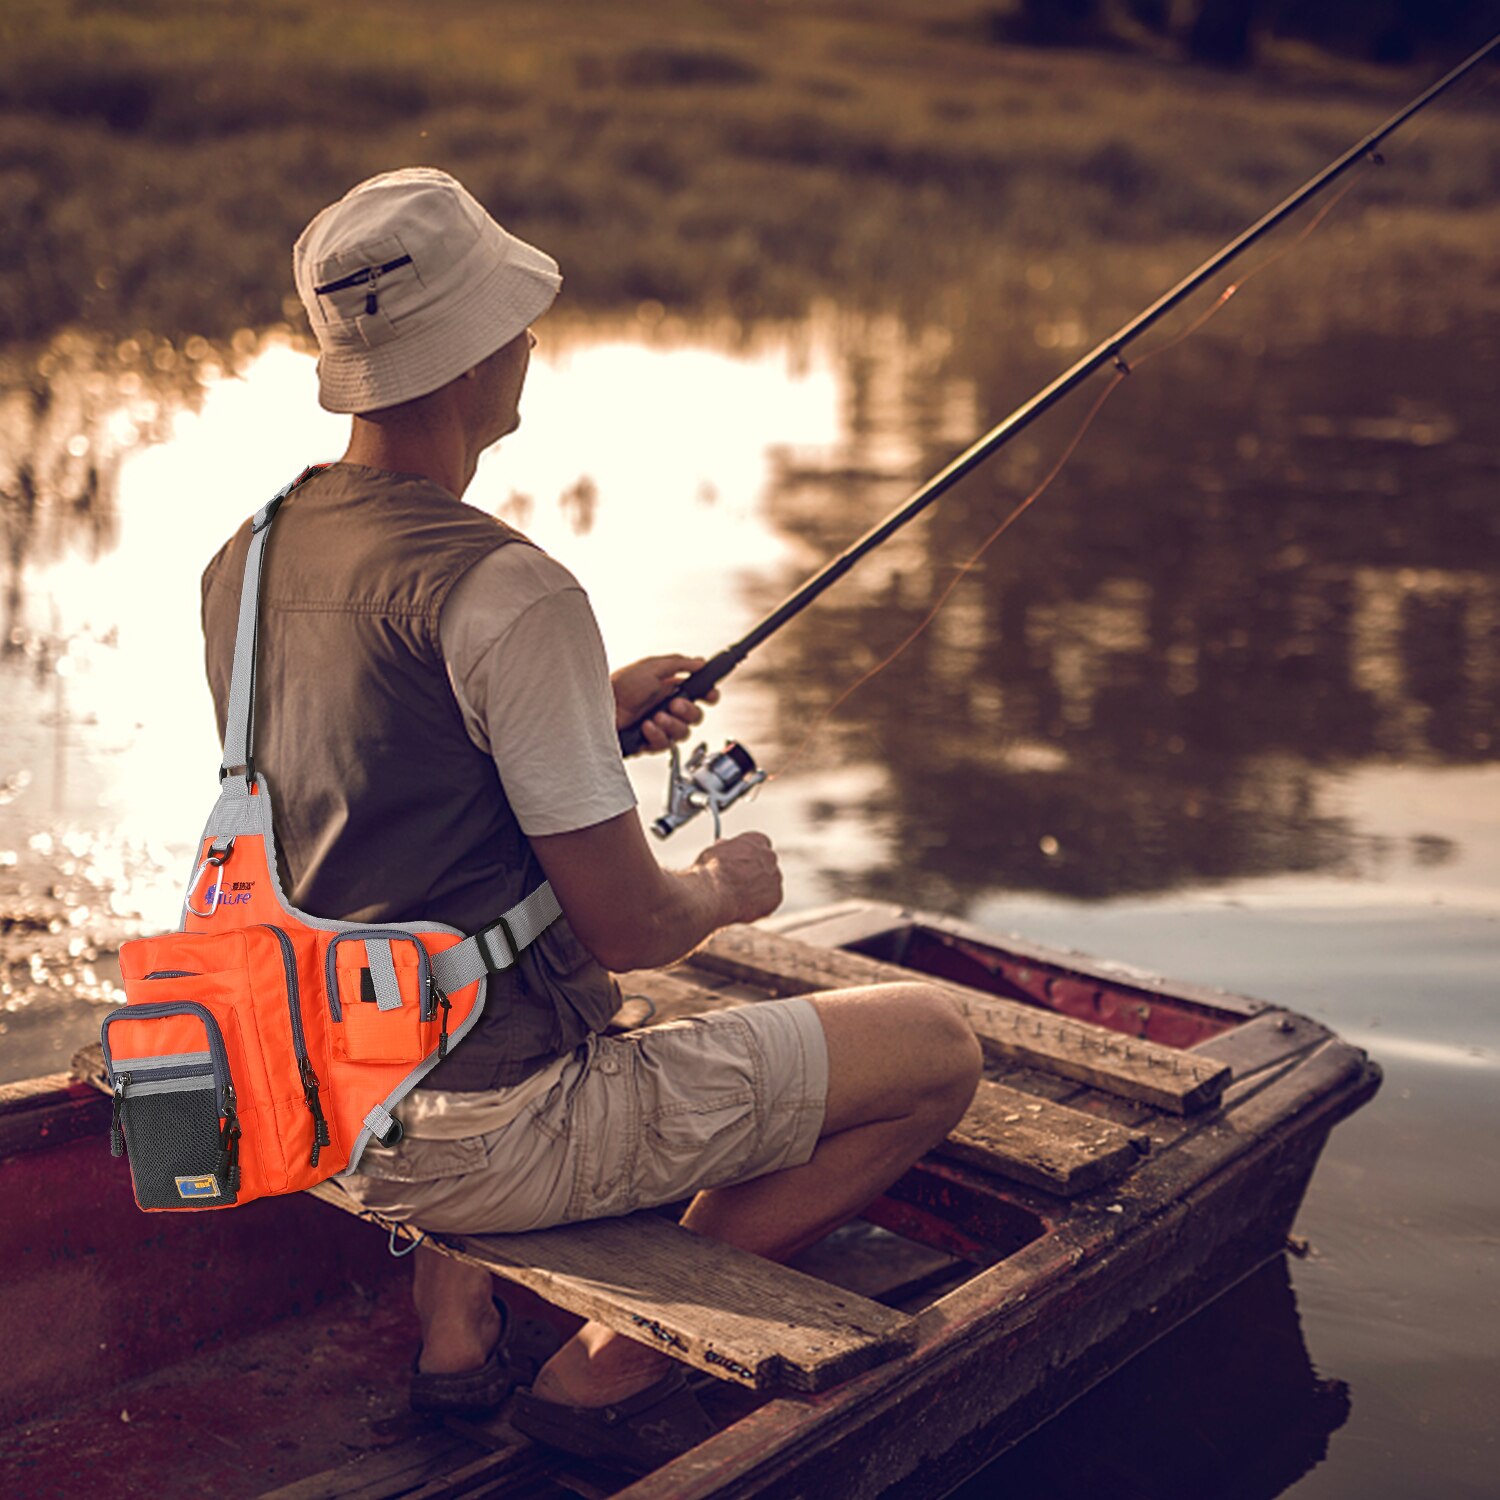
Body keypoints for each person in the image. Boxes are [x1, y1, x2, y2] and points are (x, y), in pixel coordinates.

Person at [200, 168, 982, 1472]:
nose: (530, 345)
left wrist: (592, 718)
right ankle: (601, 1371)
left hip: (300, 1100)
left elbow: (373, 797)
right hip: (485, 1133)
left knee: (480, 985)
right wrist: (728, 890)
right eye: (512, 320)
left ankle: (454, 1334)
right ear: (460, 361)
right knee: (935, 1045)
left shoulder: (249, 554)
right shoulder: (511, 591)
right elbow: (630, 930)